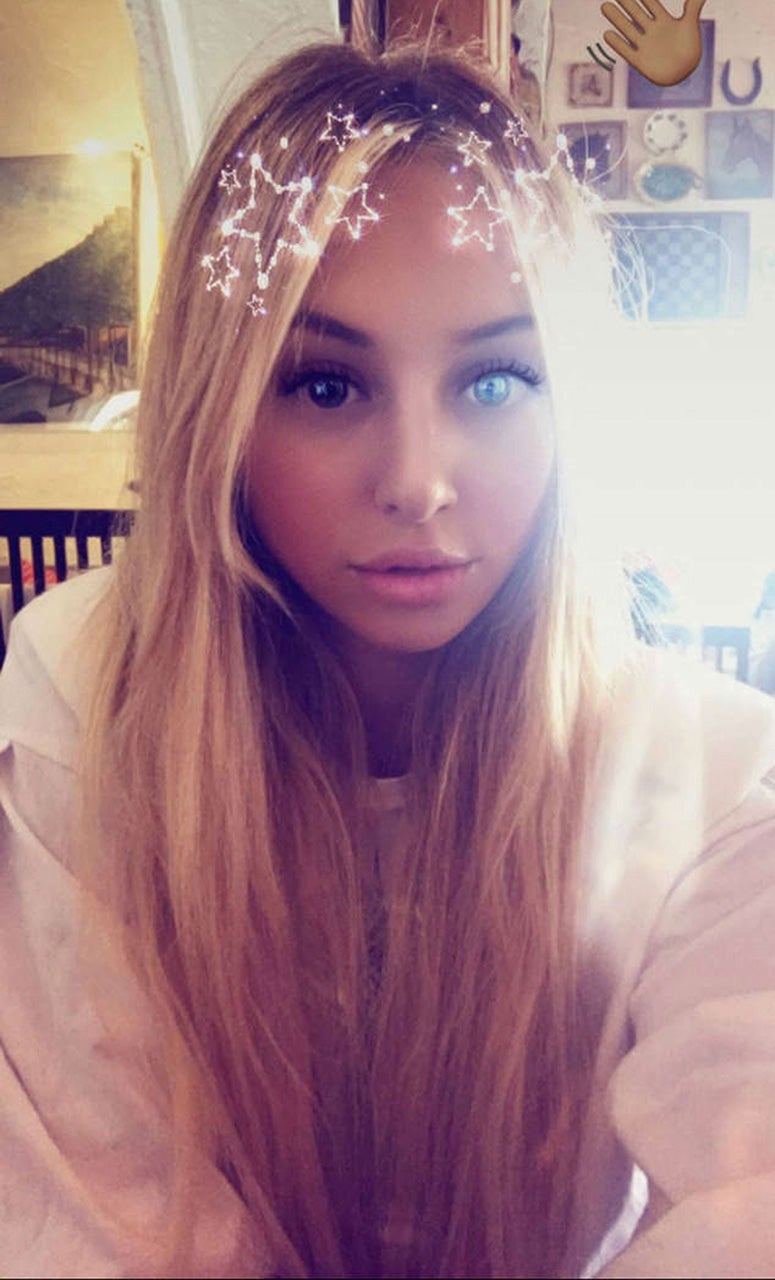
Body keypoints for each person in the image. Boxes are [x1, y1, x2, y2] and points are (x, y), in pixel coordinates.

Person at [2, 38, 775, 1280]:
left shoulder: (705, 775)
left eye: (496, 380)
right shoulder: (89, 699)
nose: (418, 482)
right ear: (220, 413)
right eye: (324, 385)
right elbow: (94, 1212)